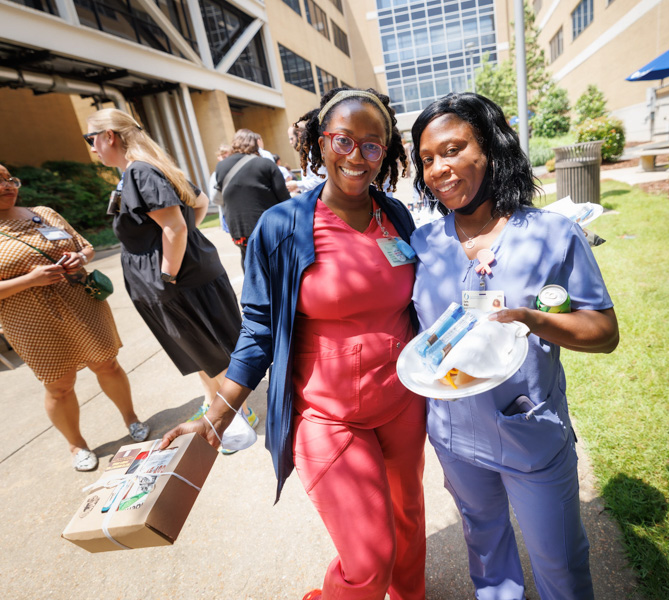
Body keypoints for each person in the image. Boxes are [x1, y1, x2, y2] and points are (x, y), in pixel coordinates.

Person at [160, 88, 424, 600]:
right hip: (327, 414)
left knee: (408, 519)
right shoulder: (282, 226)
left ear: (388, 153)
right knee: (369, 558)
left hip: (402, 403)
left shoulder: (395, 217)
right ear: (319, 142)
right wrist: (216, 413)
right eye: (343, 140)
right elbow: (258, 328)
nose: (357, 156)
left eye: (374, 145)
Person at [409, 93, 619, 600]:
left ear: (492, 148)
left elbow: (604, 332)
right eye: (427, 158)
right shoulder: (423, 244)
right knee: (486, 557)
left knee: (561, 565)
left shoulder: (551, 234)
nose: (439, 168)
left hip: (530, 435)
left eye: (454, 149)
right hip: (455, 439)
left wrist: (532, 319)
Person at [84, 109, 257, 444]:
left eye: (91, 138)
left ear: (109, 136)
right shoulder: (145, 170)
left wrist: (167, 273)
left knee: (211, 348)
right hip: (180, 279)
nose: (92, 147)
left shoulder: (140, 172)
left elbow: (176, 225)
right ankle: (213, 403)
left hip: (179, 282)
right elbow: (200, 202)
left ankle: (237, 410)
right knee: (197, 349)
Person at [0, 163, 149, 471]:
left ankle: (132, 419)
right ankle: (76, 445)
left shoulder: (43, 212)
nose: (8, 186)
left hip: (81, 302)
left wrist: (79, 258)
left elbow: (86, 247)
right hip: (30, 320)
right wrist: (30, 279)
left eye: (9, 179)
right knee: (59, 384)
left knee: (107, 363)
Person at [214, 129, 290, 271]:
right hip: (267, 227)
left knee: (249, 262)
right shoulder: (266, 164)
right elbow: (284, 198)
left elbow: (219, 197)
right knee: (276, 266)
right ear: (255, 144)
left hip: (239, 229)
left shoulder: (221, 166)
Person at [209, 143, 232, 234]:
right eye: (224, 157)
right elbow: (215, 199)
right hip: (228, 213)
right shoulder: (216, 175)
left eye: (229, 156)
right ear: (219, 158)